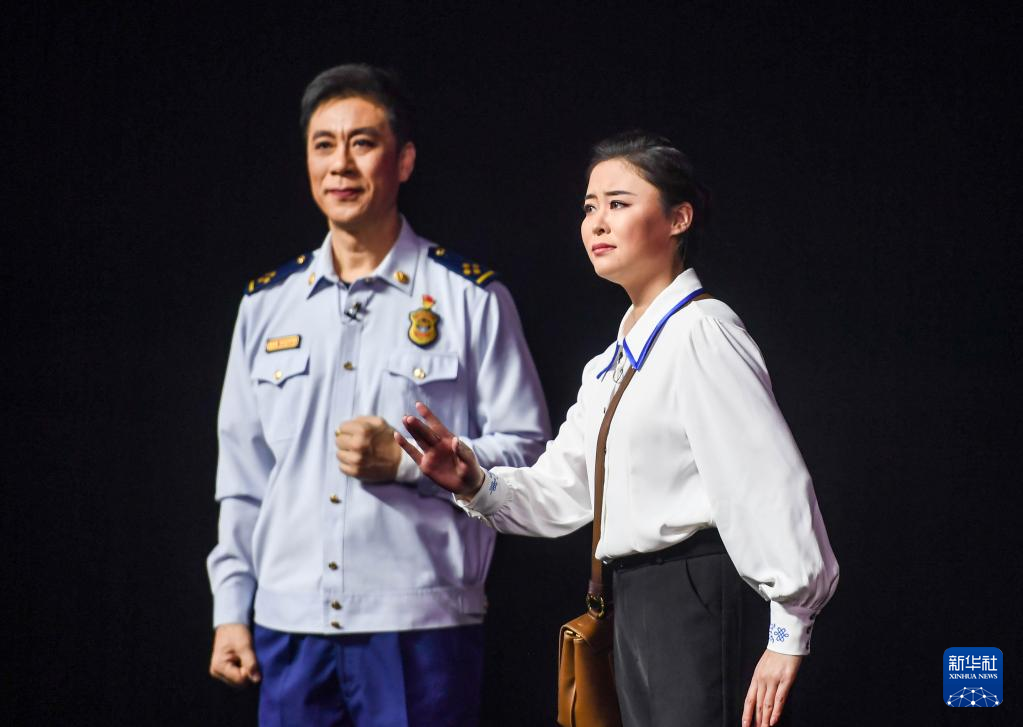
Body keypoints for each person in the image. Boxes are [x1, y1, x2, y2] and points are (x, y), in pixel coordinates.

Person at [397, 131, 840, 727]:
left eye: (618, 203)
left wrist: (789, 627)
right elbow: (563, 489)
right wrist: (475, 482)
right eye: (589, 207)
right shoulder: (613, 362)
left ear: (678, 218)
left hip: (692, 596)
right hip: (632, 601)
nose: (597, 222)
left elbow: (765, 481)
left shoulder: (700, 332)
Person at [206, 63, 551, 727]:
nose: (340, 164)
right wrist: (230, 610)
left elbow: (531, 456)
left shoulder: (471, 299)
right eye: (323, 145)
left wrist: (409, 462)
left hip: (420, 630)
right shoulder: (265, 307)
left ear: (404, 160)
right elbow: (243, 478)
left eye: (362, 143)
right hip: (288, 627)